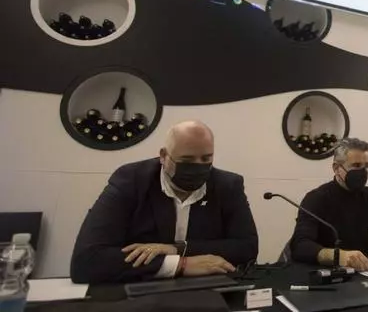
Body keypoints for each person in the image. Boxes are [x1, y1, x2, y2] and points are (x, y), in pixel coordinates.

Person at [70, 121, 259, 284]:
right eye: (187, 159)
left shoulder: (228, 186)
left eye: (206, 158)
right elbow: (86, 260)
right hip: (139, 293)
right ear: (163, 156)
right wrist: (181, 264)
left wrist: (177, 249)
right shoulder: (131, 181)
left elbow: (247, 248)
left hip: (208, 293)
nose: (198, 166)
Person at [289, 138, 368, 271]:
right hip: (327, 275)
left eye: (366, 166)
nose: (362, 172)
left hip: (366, 272)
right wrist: (338, 256)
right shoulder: (316, 198)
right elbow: (300, 245)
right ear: (336, 168)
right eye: (356, 165)